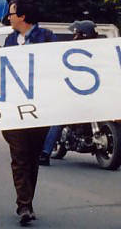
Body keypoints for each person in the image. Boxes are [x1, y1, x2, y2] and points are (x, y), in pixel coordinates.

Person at [0, 0, 55, 226]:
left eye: (12, 13)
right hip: (12, 108)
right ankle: (23, 204)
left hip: (38, 107)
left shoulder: (46, 37)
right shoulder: (9, 39)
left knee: (32, 156)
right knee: (19, 155)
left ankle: (28, 200)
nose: (9, 17)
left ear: (23, 16)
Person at [39, 20, 98, 166]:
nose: (74, 37)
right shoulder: (81, 50)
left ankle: (44, 154)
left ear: (81, 35)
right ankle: (45, 153)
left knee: (58, 119)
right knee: (59, 119)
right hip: (74, 92)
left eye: (76, 34)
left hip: (92, 92)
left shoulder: (91, 50)